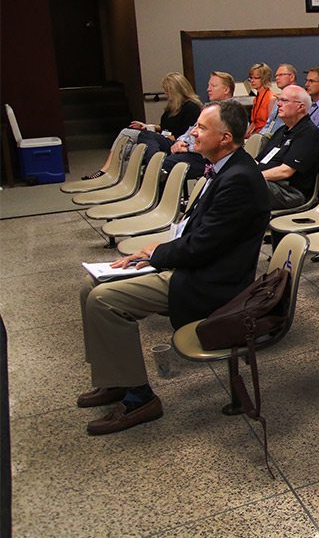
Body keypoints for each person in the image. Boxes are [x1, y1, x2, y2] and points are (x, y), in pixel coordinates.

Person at [77, 100, 269, 433]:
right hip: (198, 265)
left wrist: (154, 255)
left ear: (225, 138)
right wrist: (156, 251)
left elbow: (201, 247)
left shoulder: (239, 178)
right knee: (89, 288)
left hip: (212, 282)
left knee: (103, 301)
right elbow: (198, 234)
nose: (194, 132)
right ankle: (117, 378)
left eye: (202, 127)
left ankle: (140, 398)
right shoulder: (225, 166)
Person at [87, 72, 202, 179]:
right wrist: (147, 126)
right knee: (134, 145)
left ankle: (111, 170)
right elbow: (165, 127)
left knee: (131, 134)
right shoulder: (172, 107)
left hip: (176, 142)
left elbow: (187, 134)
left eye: (168, 90)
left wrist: (169, 137)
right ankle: (115, 174)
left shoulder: (191, 108)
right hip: (166, 138)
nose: (166, 94)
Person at [258, 85, 319, 210]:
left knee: (243, 185)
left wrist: (252, 176)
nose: (278, 104)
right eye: (279, 100)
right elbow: (259, 161)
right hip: (269, 184)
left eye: (284, 100)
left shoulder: (309, 134)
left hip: (289, 192)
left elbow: (286, 171)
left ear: (300, 107)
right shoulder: (281, 131)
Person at [160, 72, 236, 181]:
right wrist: (181, 141)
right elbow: (191, 131)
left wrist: (188, 148)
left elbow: (217, 144)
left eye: (213, 86)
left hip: (208, 158)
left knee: (165, 165)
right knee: (162, 160)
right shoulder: (209, 109)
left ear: (226, 90)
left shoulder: (233, 114)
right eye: (208, 85)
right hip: (194, 152)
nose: (208, 89)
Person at [256, 64, 297, 138]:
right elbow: (269, 123)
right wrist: (260, 137)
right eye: (276, 76)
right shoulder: (277, 99)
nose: (277, 78)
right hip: (269, 137)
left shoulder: (298, 99)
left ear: (292, 77)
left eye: (281, 75)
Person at [246, 63, 275, 138]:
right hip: (255, 136)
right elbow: (254, 123)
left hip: (263, 137)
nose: (252, 81)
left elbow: (270, 126)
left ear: (264, 78)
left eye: (256, 78)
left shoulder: (271, 98)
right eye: (251, 78)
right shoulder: (256, 99)